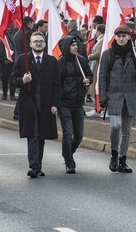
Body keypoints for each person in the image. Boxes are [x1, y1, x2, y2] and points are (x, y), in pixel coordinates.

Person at [10, 31, 61, 178]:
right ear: (30, 44)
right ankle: (33, 166)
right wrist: (23, 81)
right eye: (35, 41)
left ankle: (38, 165)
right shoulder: (22, 60)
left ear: (45, 44)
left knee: (41, 136)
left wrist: (55, 104)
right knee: (32, 134)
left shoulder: (52, 61)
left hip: (46, 105)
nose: (38, 43)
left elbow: (57, 85)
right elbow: (13, 80)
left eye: (41, 41)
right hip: (29, 104)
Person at [99, 26, 136, 172]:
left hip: (131, 95)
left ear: (129, 37)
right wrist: (102, 96)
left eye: (124, 36)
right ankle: (113, 153)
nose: (121, 38)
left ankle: (122, 159)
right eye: (118, 36)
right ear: (115, 37)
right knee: (115, 126)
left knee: (127, 130)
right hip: (114, 96)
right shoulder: (108, 54)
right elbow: (102, 76)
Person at [57, 36, 92, 174]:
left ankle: (68, 153)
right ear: (66, 47)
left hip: (78, 103)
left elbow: (89, 74)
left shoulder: (82, 60)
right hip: (64, 103)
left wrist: (88, 80)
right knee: (68, 133)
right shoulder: (59, 63)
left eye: (76, 45)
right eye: (72, 45)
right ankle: (69, 162)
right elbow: (56, 83)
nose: (76, 47)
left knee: (79, 134)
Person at [86, 24, 105, 117]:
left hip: (97, 66)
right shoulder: (99, 40)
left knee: (96, 87)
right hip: (94, 65)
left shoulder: (101, 41)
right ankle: (96, 108)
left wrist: (89, 56)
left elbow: (98, 54)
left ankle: (99, 108)